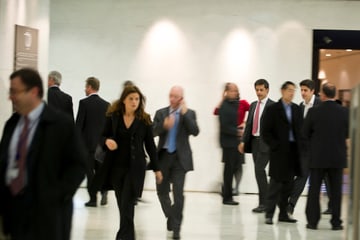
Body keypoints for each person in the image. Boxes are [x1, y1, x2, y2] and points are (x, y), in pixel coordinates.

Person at [0, 68, 86, 240]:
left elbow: (78, 165)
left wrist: (55, 196)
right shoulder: (12, 124)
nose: (11, 97)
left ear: (34, 92)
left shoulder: (61, 124)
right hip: (15, 214)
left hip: (47, 218)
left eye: (15, 92)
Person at [92, 85, 162, 240]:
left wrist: (157, 169)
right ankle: (128, 236)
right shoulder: (113, 117)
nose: (134, 102)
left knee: (127, 204)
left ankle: (122, 237)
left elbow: (150, 146)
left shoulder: (144, 120)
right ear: (123, 100)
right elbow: (101, 136)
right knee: (123, 206)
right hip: (116, 168)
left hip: (135, 169)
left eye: (137, 99)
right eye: (131, 98)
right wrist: (107, 141)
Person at [153, 86, 199, 239]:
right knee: (161, 192)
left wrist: (185, 115)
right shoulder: (161, 113)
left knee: (178, 194)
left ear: (181, 98)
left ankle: (177, 228)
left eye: (175, 96)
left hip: (180, 159)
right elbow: (152, 132)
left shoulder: (189, 113)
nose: (172, 99)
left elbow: (195, 131)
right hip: (163, 157)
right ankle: (171, 216)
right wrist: (163, 125)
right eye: (170, 96)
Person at [303, 83, 349, 230]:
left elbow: (304, 133)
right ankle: (336, 222)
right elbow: (348, 133)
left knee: (314, 190)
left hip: (317, 157)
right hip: (337, 157)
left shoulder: (313, 112)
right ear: (334, 94)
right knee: (336, 191)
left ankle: (312, 221)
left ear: (322, 94)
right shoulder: (344, 112)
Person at [261, 81, 303, 225]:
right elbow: (265, 132)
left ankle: (283, 214)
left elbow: (300, 131)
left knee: (288, 186)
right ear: (282, 91)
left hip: (293, 152)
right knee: (275, 185)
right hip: (279, 152)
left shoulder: (297, 109)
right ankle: (269, 214)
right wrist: (275, 145)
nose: (292, 93)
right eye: (289, 90)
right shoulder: (273, 109)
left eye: (293, 91)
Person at [287, 79, 323, 216]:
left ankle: (332, 206)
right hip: (303, 149)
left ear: (312, 91)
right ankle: (290, 204)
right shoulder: (301, 106)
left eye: (305, 90)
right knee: (302, 175)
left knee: (324, 178)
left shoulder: (320, 105)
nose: (302, 93)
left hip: (318, 149)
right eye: (301, 90)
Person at [238, 79, 274, 213]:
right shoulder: (253, 105)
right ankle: (266, 201)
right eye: (257, 90)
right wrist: (243, 141)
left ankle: (264, 203)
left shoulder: (273, 106)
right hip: (254, 143)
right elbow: (248, 125)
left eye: (261, 90)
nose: (259, 92)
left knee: (259, 170)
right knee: (259, 172)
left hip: (266, 145)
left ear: (267, 90)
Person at [75, 77, 110, 207]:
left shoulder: (83, 103)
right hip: (101, 145)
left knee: (90, 173)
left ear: (90, 87)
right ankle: (104, 190)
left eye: (86, 87)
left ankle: (93, 199)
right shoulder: (106, 105)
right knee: (100, 171)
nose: (85, 89)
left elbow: (78, 125)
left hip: (87, 145)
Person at [214, 83, 250, 196]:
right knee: (229, 167)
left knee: (238, 165)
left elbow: (253, 111)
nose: (235, 92)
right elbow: (216, 112)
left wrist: (245, 124)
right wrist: (222, 97)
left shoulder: (241, 103)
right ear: (227, 92)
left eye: (236, 90)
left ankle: (235, 188)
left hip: (238, 139)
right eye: (232, 90)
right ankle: (227, 191)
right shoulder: (226, 105)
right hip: (229, 139)